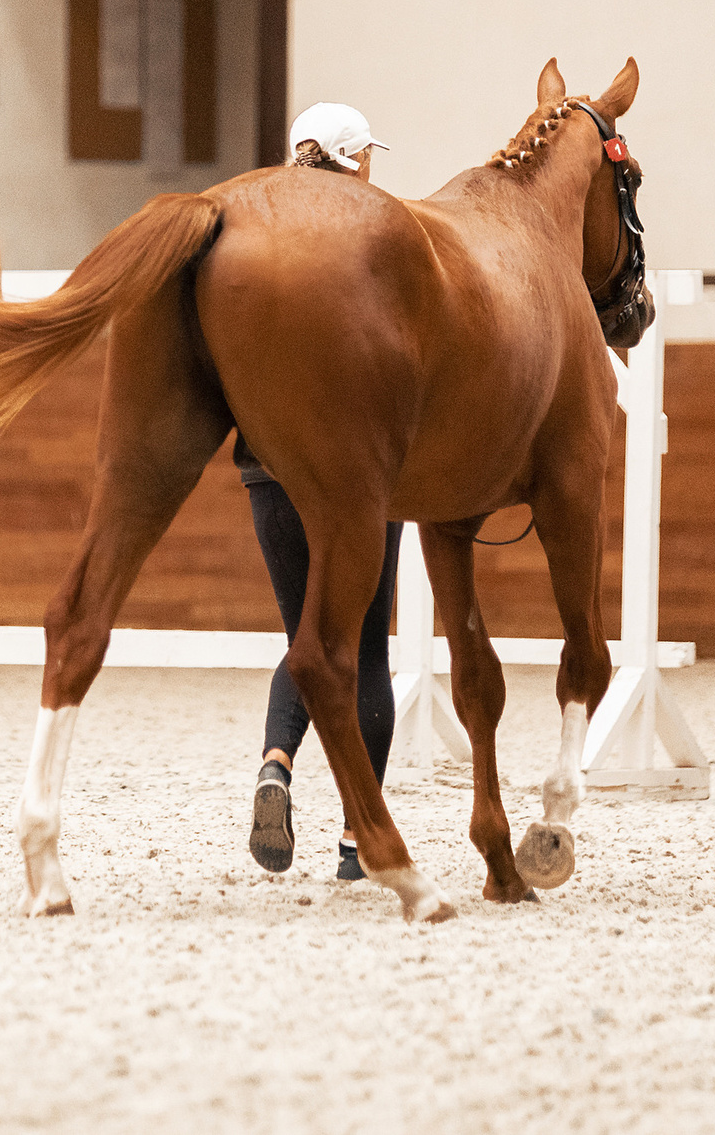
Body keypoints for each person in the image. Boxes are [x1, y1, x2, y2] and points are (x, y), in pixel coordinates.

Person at [244, 102, 402, 883]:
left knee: (305, 637)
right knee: (363, 642)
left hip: (265, 461)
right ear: (352, 160)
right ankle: (353, 838)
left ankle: (276, 761)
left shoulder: (262, 232)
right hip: (358, 470)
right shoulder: (377, 232)